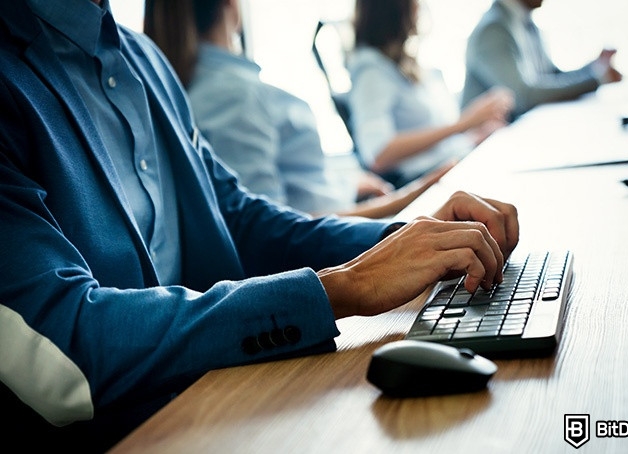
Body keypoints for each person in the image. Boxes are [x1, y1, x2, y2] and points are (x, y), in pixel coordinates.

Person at [0, 0, 519, 451]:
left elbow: (240, 221)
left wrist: (410, 240)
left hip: (217, 405)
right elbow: (63, 352)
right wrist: (343, 289)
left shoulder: (140, 58)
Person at [144, 0, 452, 220]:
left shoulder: (211, 84)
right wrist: (412, 196)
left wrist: (347, 184)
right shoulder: (233, 97)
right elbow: (271, 229)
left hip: (344, 205)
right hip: (332, 245)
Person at [347, 0, 515, 189]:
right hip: (426, 180)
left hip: (451, 161)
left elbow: (434, 138)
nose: (420, 8)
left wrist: (471, 136)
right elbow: (378, 153)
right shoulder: (371, 72)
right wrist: (464, 124)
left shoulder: (402, 64)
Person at [461, 0, 623, 119]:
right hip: (491, 145)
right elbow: (523, 97)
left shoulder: (525, 22)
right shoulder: (493, 29)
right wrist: (598, 78)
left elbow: (551, 77)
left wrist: (595, 68)